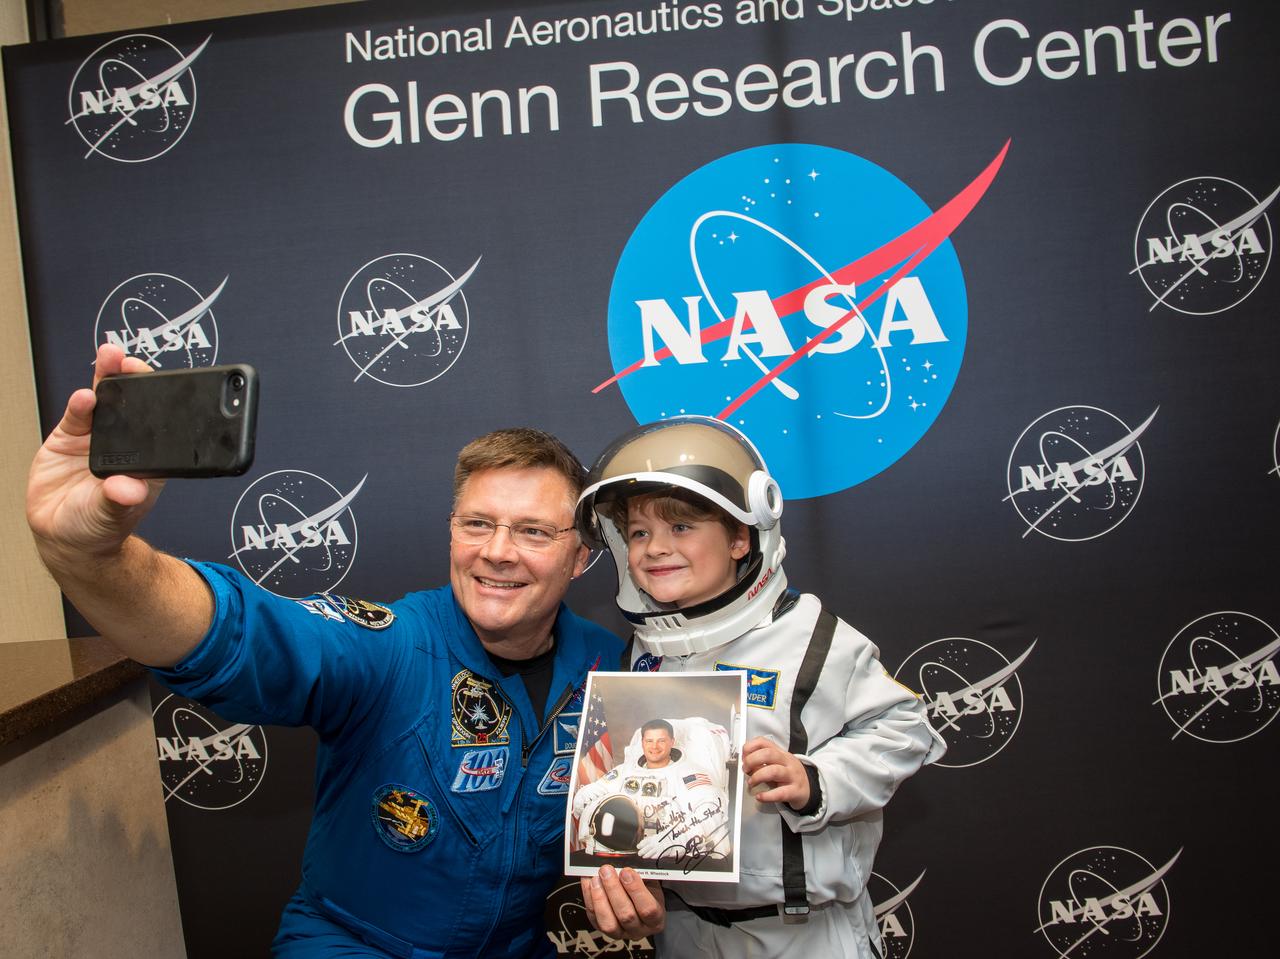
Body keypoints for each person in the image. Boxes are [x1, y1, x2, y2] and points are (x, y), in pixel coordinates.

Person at [24, 344, 662, 957]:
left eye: (533, 532)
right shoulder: (392, 646)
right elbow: (244, 636)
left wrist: (643, 890)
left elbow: (647, 817)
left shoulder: (607, 667)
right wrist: (93, 557)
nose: (497, 551)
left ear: (580, 556)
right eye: (477, 523)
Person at [574, 415, 946, 958]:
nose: (655, 548)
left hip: (802, 934)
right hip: (685, 931)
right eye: (639, 533)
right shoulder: (643, 655)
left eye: (681, 527)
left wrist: (816, 779)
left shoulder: (810, 637)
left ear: (741, 537)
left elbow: (906, 729)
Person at [570, 718, 731, 861]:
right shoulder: (625, 771)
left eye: (661, 741)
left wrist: (675, 840)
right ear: (642, 743)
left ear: (672, 742)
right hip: (624, 851)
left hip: (673, 857)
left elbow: (712, 810)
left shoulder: (689, 773)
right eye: (649, 741)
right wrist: (583, 797)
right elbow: (596, 791)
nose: (654, 746)